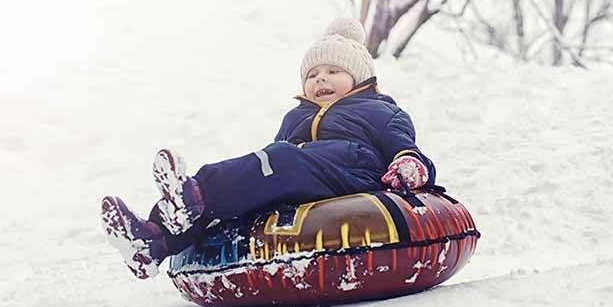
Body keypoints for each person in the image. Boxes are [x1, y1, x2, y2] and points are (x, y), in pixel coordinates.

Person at [100, 18, 437, 279]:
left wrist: (409, 163)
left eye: (334, 71)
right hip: (301, 179)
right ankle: (153, 240)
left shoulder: (379, 109)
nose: (321, 80)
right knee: (240, 194)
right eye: (313, 75)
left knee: (282, 158)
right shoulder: (296, 115)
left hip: (350, 173)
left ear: (360, 78)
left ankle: (193, 194)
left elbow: (404, 147)